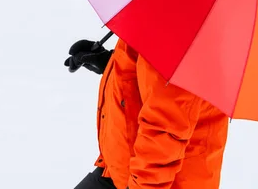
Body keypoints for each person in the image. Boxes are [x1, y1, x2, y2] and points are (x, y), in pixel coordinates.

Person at [65, 37, 229, 189]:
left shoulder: (179, 37)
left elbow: (165, 131)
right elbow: (150, 79)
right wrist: (112, 64)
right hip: (122, 170)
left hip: (155, 181)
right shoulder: (155, 18)